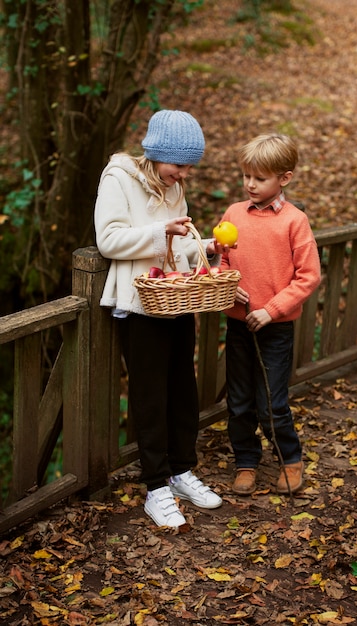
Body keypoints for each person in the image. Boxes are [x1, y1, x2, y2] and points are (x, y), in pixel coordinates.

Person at [94, 110, 224, 528]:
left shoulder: (174, 186)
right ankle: (156, 487)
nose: (184, 174)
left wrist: (203, 248)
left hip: (175, 297)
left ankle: (182, 470)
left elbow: (179, 244)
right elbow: (109, 239)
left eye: (190, 166)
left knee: (182, 388)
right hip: (138, 302)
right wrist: (159, 232)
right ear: (156, 154)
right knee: (150, 394)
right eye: (179, 164)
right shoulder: (119, 179)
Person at [217, 133, 321, 496]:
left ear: (284, 178)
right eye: (246, 176)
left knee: (272, 402)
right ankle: (246, 461)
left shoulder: (295, 221)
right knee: (240, 400)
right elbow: (222, 261)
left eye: (259, 178)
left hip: (275, 328)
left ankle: (289, 460)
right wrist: (227, 284)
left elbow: (308, 276)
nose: (250, 184)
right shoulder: (233, 214)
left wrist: (271, 309)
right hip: (238, 324)